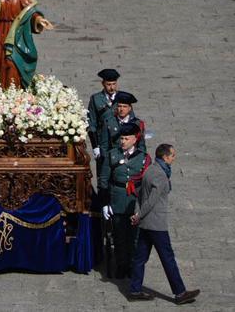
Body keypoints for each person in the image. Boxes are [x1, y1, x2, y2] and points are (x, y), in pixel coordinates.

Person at [127, 144, 201, 304]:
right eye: (172, 155)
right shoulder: (160, 175)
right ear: (165, 157)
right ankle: (180, 293)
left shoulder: (151, 170)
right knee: (168, 258)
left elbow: (140, 195)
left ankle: (134, 289)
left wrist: (138, 214)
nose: (174, 157)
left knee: (140, 258)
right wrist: (139, 215)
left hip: (146, 223)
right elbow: (151, 201)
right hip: (156, 224)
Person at [102, 122, 149, 280]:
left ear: (135, 139)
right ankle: (121, 265)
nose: (122, 141)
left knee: (134, 237)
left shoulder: (142, 157)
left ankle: (132, 266)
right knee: (119, 235)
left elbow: (146, 182)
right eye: (121, 138)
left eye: (126, 138)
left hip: (134, 200)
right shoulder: (113, 154)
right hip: (118, 199)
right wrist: (105, 203)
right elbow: (104, 180)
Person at [86, 68, 121, 172]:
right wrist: (95, 146)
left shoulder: (122, 98)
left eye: (114, 84)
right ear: (103, 84)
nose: (112, 87)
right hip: (103, 142)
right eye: (109, 84)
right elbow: (91, 123)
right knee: (103, 174)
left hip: (119, 141)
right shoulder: (96, 99)